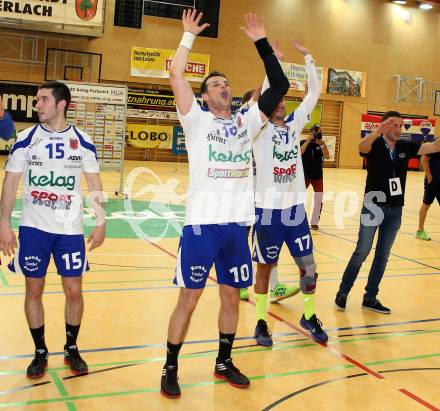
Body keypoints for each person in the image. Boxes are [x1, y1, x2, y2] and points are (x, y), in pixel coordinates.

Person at [160, 10, 289, 398]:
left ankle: (224, 360)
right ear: (205, 95)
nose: (224, 87)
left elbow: (279, 84)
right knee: (189, 298)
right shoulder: (196, 120)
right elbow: (176, 76)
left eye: (227, 83)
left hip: (237, 227)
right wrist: (186, 37)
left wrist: (261, 43)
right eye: (216, 84)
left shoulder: (247, 121)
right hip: (202, 226)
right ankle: (170, 365)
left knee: (232, 296)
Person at [0, 81, 106, 378]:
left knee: (74, 290)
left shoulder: (83, 141)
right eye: (37, 100)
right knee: (34, 288)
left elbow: (94, 184)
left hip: (70, 230)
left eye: (43, 100)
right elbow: (10, 183)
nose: (37, 105)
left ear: (61, 104)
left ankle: (71, 348)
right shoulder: (25, 139)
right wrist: (3, 223)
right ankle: (39, 351)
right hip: (34, 228)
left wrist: (101, 221)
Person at [251, 41, 328, 346]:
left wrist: (309, 57)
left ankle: (308, 316)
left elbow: (313, 94)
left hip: (295, 210)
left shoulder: (294, 125)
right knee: (264, 268)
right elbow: (264, 97)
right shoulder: (257, 130)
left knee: (308, 267)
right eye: (275, 101)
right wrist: (273, 65)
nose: (280, 104)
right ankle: (260, 321)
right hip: (267, 210)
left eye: (283, 101)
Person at [335, 111, 440, 313]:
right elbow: (361, 148)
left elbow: (435, 146)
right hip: (373, 205)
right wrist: (377, 132)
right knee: (362, 251)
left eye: (401, 126)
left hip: (395, 209)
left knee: (382, 255)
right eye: (395, 125)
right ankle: (343, 291)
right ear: (384, 126)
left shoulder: (404, 146)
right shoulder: (374, 144)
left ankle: (370, 297)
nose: (399, 130)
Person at [239, 88, 300, 304]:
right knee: (241, 240)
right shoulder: (245, 123)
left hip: (264, 197)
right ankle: (241, 284)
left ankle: (273, 287)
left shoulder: (270, 129)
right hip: (242, 194)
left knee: (268, 242)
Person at [300, 123, 330, 229]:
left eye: (320, 132)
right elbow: (299, 153)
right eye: (316, 132)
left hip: (318, 176)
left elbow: (327, 156)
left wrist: (321, 143)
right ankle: (297, 219)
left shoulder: (321, 144)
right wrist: (308, 140)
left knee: (319, 199)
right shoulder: (303, 142)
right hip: (304, 175)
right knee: (298, 198)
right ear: (311, 133)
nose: (319, 133)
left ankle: (314, 222)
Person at [416, 148, 440, 240]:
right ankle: (420, 231)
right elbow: (424, 159)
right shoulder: (436, 145)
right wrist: (429, 177)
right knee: (426, 204)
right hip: (433, 182)